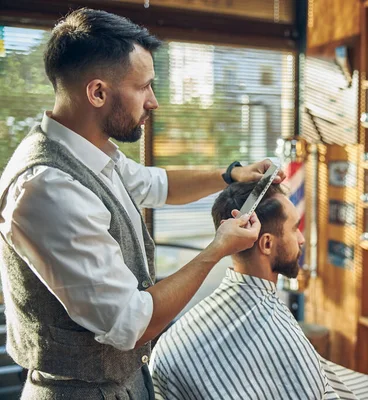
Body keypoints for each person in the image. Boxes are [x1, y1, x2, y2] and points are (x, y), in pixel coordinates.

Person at [0, 8, 285, 399]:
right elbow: (130, 324)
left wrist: (232, 173)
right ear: (97, 92)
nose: (154, 102)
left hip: (127, 383)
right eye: (144, 87)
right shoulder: (48, 188)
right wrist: (218, 249)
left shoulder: (94, 153)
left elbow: (156, 183)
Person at [150, 181, 368, 400]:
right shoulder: (278, 332)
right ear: (267, 243)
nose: (302, 239)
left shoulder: (182, 330)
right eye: (295, 229)